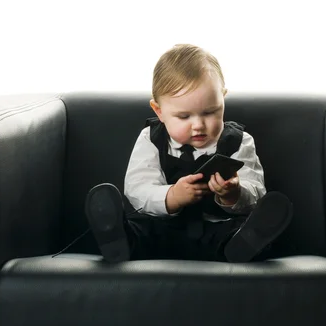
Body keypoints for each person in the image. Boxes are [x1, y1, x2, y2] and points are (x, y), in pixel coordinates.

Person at [84, 44, 292, 263]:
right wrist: (171, 196)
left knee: (236, 230)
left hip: (216, 229)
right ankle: (119, 239)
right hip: (163, 228)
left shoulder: (239, 141)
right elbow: (137, 189)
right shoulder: (151, 139)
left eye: (210, 112)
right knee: (142, 230)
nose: (199, 125)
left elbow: (256, 189)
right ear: (159, 111)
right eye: (184, 117)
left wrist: (233, 194)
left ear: (223, 99)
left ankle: (246, 243)